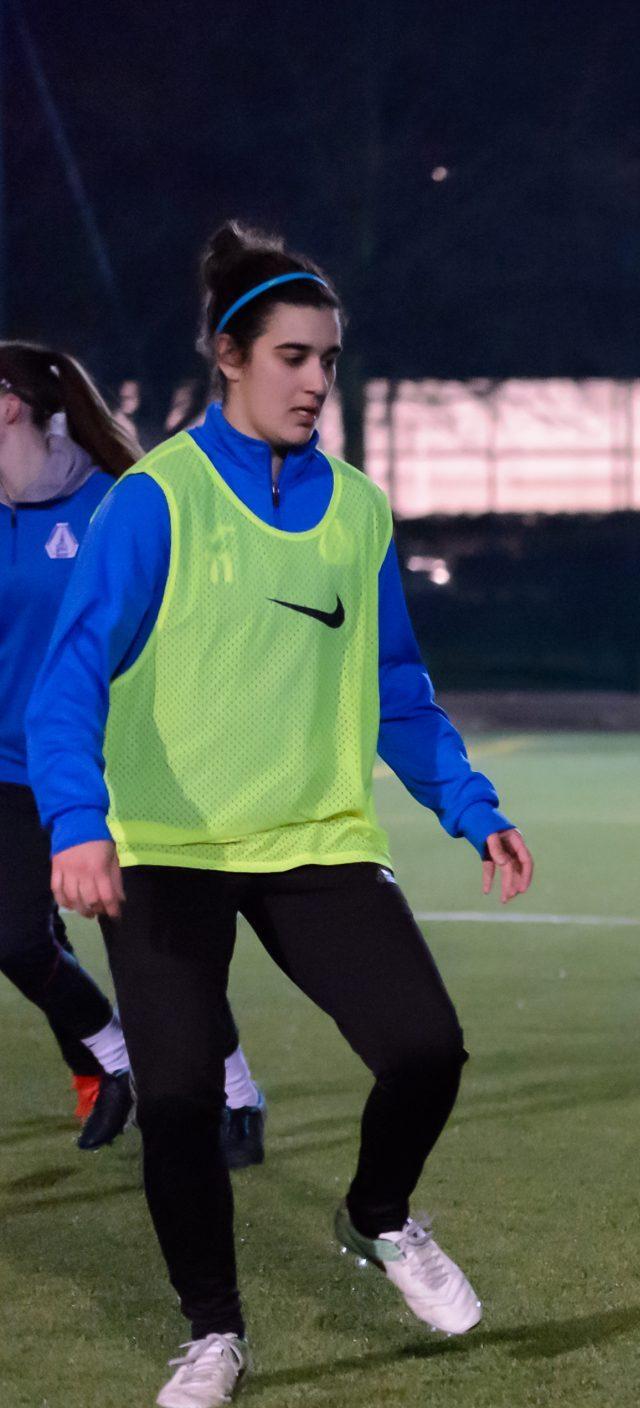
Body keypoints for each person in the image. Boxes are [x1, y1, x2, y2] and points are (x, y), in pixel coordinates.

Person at [27, 222, 535, 1408]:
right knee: (186, 1106)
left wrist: (470, 803)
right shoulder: (155, 501)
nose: (316, 381)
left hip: (314, 842)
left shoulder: (359, 511)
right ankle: (213, 1334)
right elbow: (69, 675)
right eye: (294, 356)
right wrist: (75, 820)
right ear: (230, 356)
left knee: (426, 1048)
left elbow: (394, 687)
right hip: (163, 853)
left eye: (329, 359)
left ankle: (379, 1215)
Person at [0, 340, 268, 1164]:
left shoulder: (118, 503)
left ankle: (238, 1091)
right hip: (15, 765)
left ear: (10, 401)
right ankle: (113, 1059)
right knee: (13, 937)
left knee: (159, 951)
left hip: (119, 763)